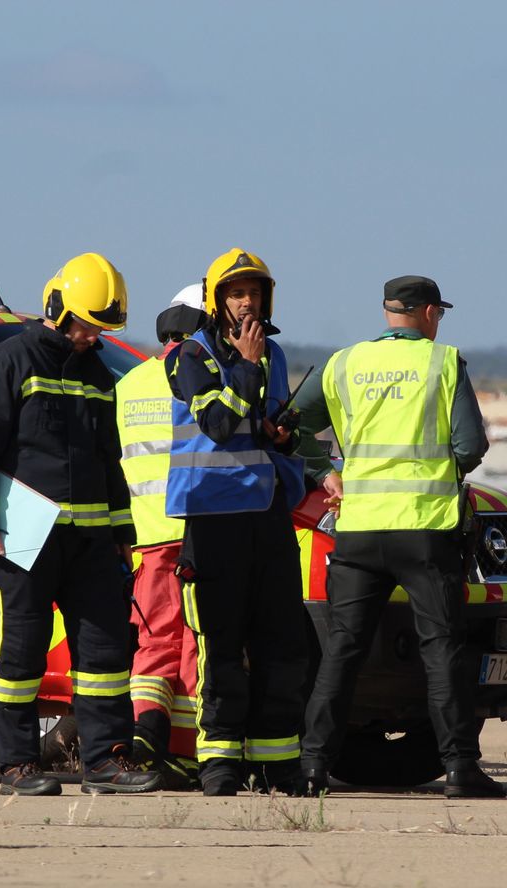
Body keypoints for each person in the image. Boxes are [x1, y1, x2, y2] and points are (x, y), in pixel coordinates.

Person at [0, 254, 161, 797]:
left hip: (90, 542)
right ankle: (17, 765)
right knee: (20, 651)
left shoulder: (96, 373)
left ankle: (105, 761)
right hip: (22, 541)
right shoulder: (7, 364)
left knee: (105, 655)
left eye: (100, 329)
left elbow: (108, 458)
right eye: (87, 326)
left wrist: (122, 536)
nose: (93, 338)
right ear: (56, 309)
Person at [292, 276, 502, 799]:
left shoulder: (342, 363)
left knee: (342, 650)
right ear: (429, 312)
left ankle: (314, 765)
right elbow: (471, 446)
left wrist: (325, 473)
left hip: (359, 529)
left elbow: (292, 425)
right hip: (425, 530)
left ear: (388, 312)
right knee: (441, 649)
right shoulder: (443, 361)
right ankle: (459, 768)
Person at [166, 249, 309, 797]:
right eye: (235, 292)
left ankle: (280, 761)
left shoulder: (273, 351)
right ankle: (220, 760)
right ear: (216, 300)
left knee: (282, 641)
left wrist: (284, 433)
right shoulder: (188, 355)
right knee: (221, 643)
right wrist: (246, 368)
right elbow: (220, 423)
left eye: (254, 292)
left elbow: (265, 422)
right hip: (213, 514)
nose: (246, 302)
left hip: (267, 514)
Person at [115, 284, 207, 790]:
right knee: (196, 642)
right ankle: (184, 750)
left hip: (148, 534)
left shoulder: (129, 383)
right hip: (197, 528)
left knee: (154, 642)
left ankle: (145, 732)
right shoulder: (198, 377)